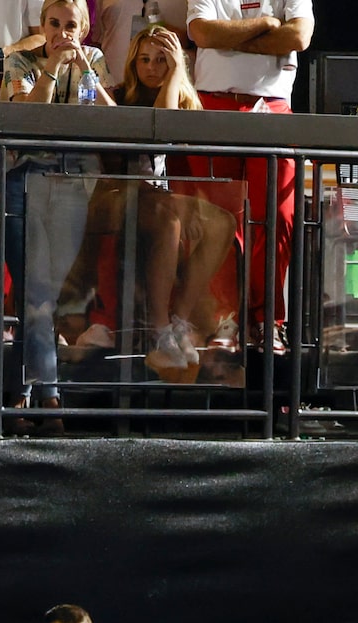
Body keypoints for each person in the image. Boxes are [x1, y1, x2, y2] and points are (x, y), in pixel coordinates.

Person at [96, 26, 242, 384]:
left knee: (222, 222)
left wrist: (178, 75)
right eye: (144, 59)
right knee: (167, 215)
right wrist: (177, 71)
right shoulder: (119, 95)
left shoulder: (186, 102)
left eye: (162, 60)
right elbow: (158, 130)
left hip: (162, 198)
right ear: (132, 63)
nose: (151, 67)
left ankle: (179, 319)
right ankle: (158, 328)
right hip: (119, 194)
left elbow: (175, 138)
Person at [184, 0, 310, 364]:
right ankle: (224, 319)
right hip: (213, 105)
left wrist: (231, 39)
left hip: (272, 108)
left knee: (279, 217)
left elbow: (299, 36)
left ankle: (266, 319)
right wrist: (269, 26)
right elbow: (202, 32)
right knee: (218, 222)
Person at [0, 0, 108, 404]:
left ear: (85, 30)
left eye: (71, 25)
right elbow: (29, 118)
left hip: (73, 182)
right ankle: (50, 396)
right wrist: (54, 67)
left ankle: (23, 390)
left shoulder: (93, 59)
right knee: (36, 288)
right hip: (23, 181)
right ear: (42, 25)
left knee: (47, 292)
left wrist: (85, 71)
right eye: (54, 24)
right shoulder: (21, 61)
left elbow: (109, 120)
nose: (63, 33)